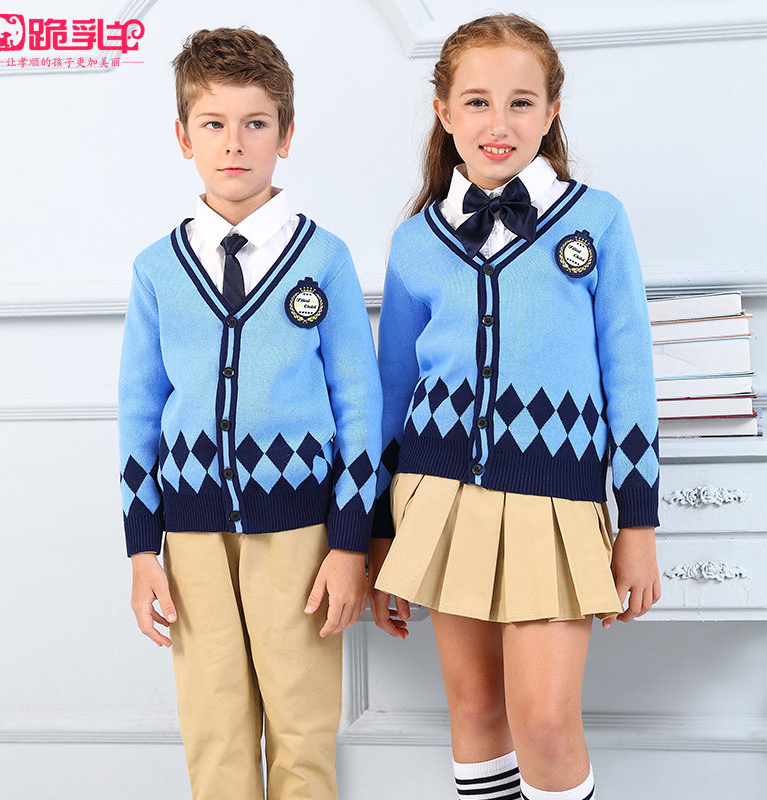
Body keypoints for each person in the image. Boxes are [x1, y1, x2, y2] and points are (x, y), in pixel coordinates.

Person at [368, 14, 661, 800]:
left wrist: (637, 523)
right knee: (474, 710)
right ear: (443, 112)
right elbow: (394, 393)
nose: (498, 124)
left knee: (546, 722)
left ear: (552, 111)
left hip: (555, 499)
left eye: (521, 102)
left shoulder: (598, 220)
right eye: (477, 102)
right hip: (436, 497)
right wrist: (380, 531)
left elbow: (629, 377)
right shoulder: (416, 241)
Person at [117, 26, 381, 800]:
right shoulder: (157, 270)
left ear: (285, 135)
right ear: (183, 137)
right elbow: (139, 413)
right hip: (192, 537)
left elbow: (359, 410)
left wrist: (350, 542)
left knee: (301, 726)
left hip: (302, 533)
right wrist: (142, 550)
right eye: (214, 123)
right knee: (215, 727)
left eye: (255, 123)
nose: (234, 143)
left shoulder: (324, 259)